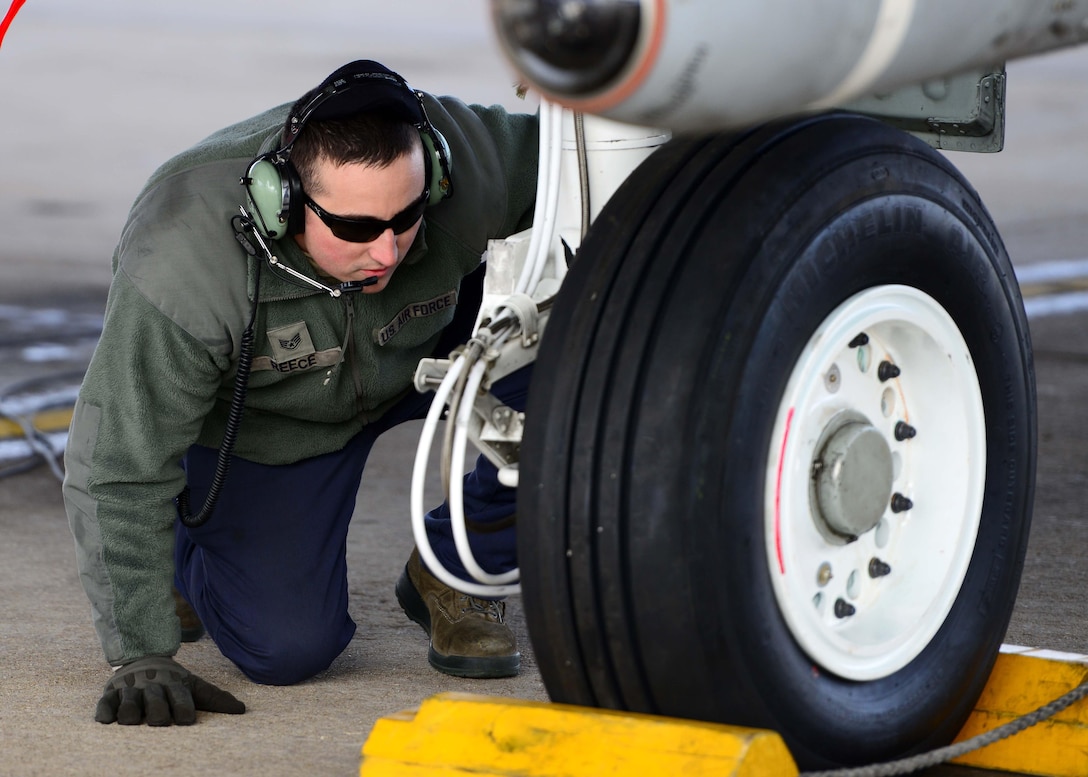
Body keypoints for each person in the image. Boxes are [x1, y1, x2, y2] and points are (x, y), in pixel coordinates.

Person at [62, 59, 539, 726]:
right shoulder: (182, 262)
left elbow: (611, 170)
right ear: (278, 200)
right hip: (268, 427)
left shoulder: (467, 162)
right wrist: (138, 650)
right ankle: (184, 539)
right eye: (356, 229)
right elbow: (115, 463)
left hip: (425, 349)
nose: (389, 251)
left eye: (407, 217)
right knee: (288, 647)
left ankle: (461, 564)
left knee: (602, 341)